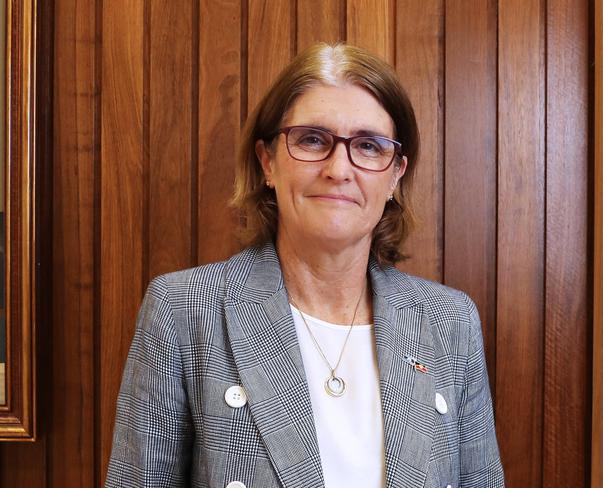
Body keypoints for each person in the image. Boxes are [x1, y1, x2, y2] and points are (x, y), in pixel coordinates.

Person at [106, 43, 504, 488]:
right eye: (313, 140)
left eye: (369, 146)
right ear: (267, 162)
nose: (339, 169)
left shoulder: (449, 322)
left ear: (395, 175)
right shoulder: (182, 310)